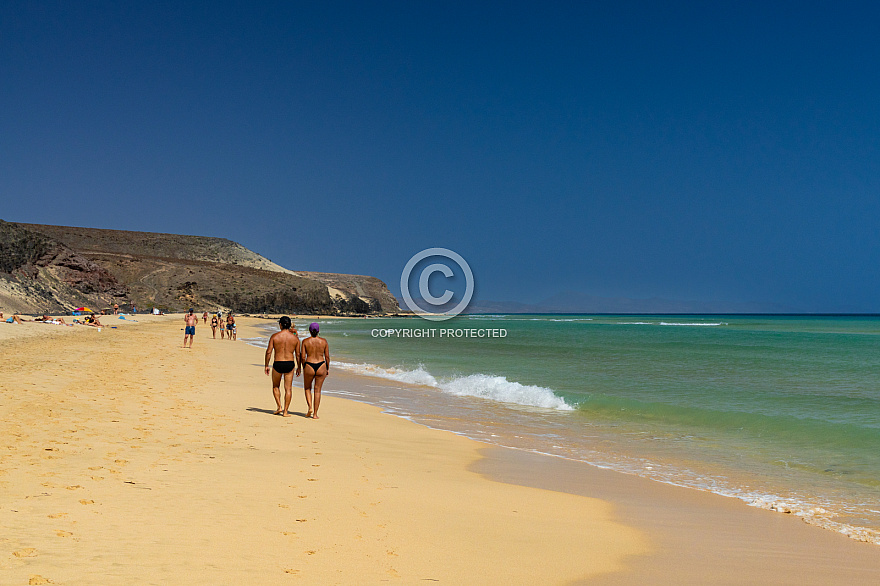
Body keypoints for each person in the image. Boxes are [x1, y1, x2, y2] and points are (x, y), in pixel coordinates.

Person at [264, 316, 301, 417]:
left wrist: (266, 365)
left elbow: (268, 352)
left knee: (276, 386)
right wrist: (299, 367)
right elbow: (298, 354)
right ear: (289, 325)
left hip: (278, 363)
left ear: (280, 325)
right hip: (289, 363)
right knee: (288, 389)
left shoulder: (275, 337)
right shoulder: (295, 339)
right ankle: (285, 411)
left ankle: (279, 406)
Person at [300, 322, 329, 419]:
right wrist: (327, 368)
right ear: (319, 331)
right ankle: (315, 414)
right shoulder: (324, 341)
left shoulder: (305, 341)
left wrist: (303, 366)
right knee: (318, 390)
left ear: (309, 331)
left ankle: (310, 407)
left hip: (309, 364)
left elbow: (303, 357)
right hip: (321, 365)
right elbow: (327, 357)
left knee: (307, 388)